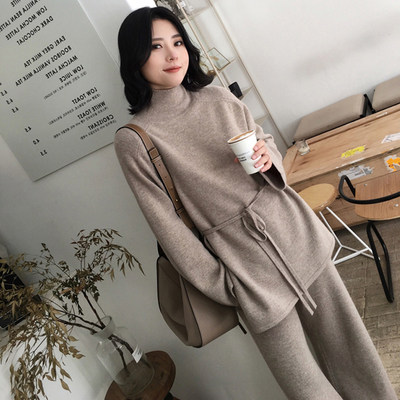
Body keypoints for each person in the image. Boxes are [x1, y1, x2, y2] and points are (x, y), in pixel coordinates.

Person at [114, 6, 397, 400]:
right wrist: (222, 284)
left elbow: (262, 141)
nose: (172, 54)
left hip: (292, 230)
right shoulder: (134, 139)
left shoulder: (216, 96)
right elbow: (167, 226)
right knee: (303, 385)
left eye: (177, 42)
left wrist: (268, 156)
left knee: (352, 352)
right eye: (156, 46)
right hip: (243, 267)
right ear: (135, 58)